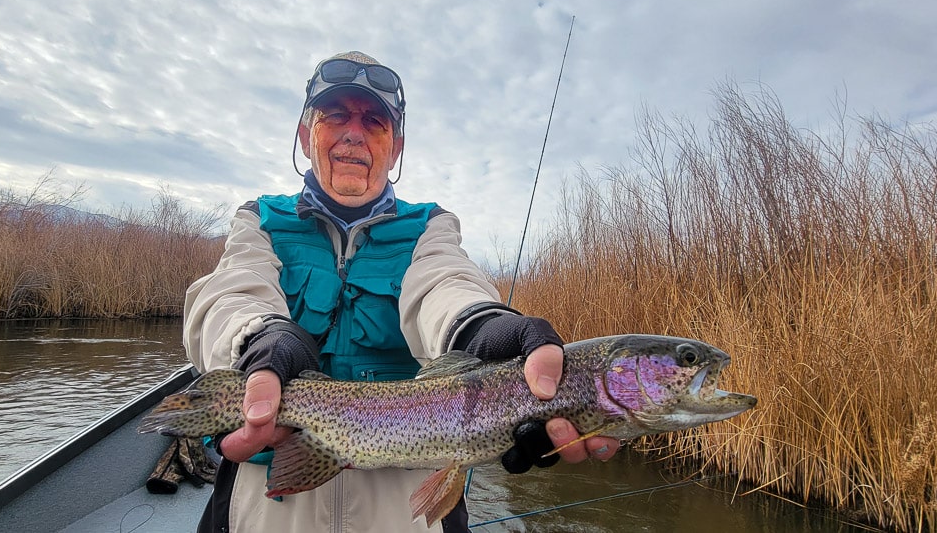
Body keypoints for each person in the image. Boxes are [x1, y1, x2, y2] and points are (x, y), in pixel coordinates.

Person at [182, 51, 619, 533]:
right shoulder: (259, 219)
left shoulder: (429, 227)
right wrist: (261, 339)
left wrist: (482, 325)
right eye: (336, 116)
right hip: (267, 502)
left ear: (396, 147)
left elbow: (444, 282)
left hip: (410, 505)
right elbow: (229, 292)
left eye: (375, 121)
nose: (354, 133)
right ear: (306, 136)